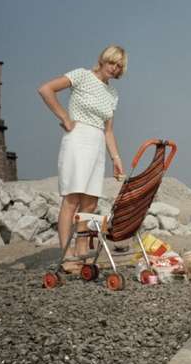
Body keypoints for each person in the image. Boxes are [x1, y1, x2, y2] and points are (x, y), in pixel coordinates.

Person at [37, 45, 127, 273]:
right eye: (112, 63)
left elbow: (108, 130)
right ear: (103, 60)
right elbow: (46, 89)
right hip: (77, 140)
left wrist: (116, 158)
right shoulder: (81, 75)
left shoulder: (113, 94)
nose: (114, 68)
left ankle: (80, 251)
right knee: (72, 199)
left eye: (119, 66)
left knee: (91, 202)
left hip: (97, 144)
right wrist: (65, 117)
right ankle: (66, 256)